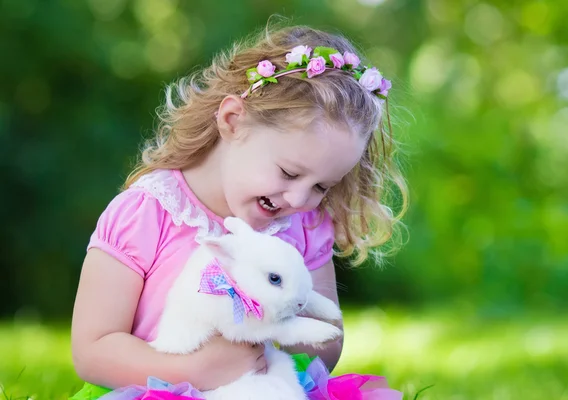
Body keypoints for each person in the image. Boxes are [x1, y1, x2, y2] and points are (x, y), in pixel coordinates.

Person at [70, 22, 408, 395]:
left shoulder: (305, 224)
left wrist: (278, 314)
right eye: (289, 172)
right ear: (233, 120)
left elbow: (326, 349)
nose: (298, 199)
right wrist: (191, 370)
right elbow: (92, 349)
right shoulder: (148, 213)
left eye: (321, 187)